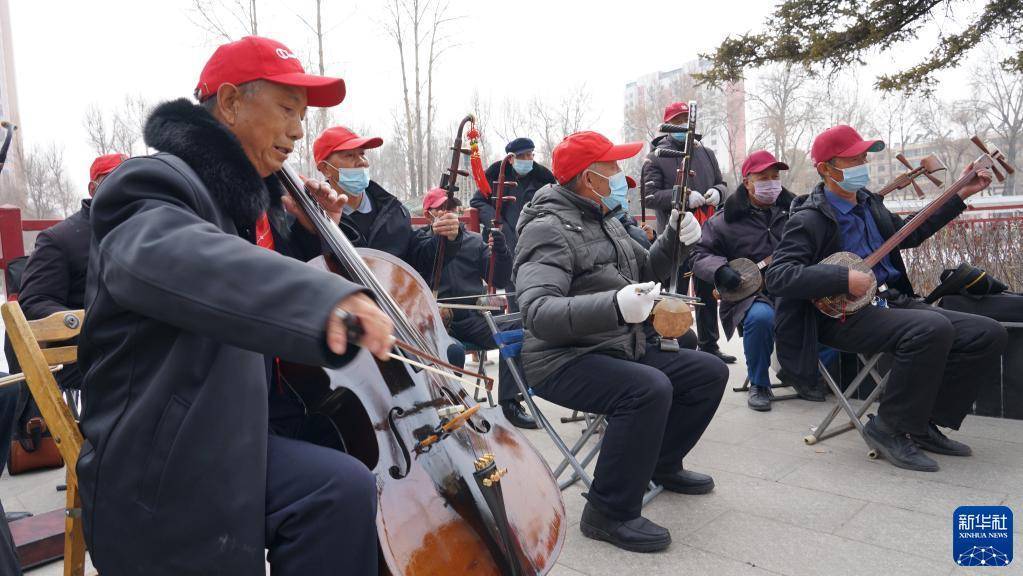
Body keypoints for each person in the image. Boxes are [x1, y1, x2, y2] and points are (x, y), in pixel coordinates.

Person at [78, 36, 394, 575]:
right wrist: (325, 297)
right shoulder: (151, 182)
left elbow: (254, 286)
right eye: (287, 110)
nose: (298, 130)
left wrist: (316, 233)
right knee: (339, 488)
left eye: (302, 116)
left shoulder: (247, 206)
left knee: (345, 488)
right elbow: (183, 257)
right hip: (166, 457)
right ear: (229, 103)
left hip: (245, 428)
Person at [514, 131, 728, 552]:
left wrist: (674, 238)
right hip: (564, 357)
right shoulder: (547, 229)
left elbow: (646, 269)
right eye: (611, 167)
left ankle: (662, 463)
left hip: (617, 343)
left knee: (708, 371)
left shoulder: (606, 216)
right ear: (586, 177)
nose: (619, 174)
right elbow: (538, 312)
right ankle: (607, 512)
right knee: (647, 389)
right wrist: (613, 305)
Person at [765, 124, 1007, 472]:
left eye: (864, 157)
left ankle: (922, 423)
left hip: (888, 303)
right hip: (842, 316)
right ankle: (887, 427)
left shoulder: (869, 205)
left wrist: (960, 195)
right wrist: (842, 277)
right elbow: (779, 276)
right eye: (853, 159)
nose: (863, 164)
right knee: (931, 327)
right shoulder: (809, 218)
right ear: (826, 169)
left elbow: (911, 232)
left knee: (988, 333)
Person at [691, 150, 827, 410]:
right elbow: (700, 254)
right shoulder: (722, 221)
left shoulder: (798, 212)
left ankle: (802, 373)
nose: (772, 182)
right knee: (761, 318)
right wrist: (720, 270)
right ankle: (759, 383)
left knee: (831, 313)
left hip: (795, 286)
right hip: (751, 294)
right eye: (763, 177)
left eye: (775, 177)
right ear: (747, 182)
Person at [413, 188, 536, 428]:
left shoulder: (472, 240)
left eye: (452, 208)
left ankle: (510, 402)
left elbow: (499, 279)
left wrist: (500, 251)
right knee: (453, 351)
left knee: (518, 329)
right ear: (429, 216)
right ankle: (449, 409)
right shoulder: (420, 244)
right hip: (437, 322)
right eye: (442, 209)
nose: (449, 213)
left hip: (472, 318)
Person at [18, 153, 126, 392]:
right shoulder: (59, 239)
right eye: (114, 181)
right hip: (86, 363)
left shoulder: (145, 231)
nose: (125, 189)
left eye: (132, 181)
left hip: (143, 354)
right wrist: (92, 323)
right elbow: (34, 302)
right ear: (93, 188)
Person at [642, 101, 734, 363]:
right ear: (669, 125)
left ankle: (709, 345)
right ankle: (676, 341)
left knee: (706, 289)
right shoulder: (656, 156)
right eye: (678, 120)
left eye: (687, 119)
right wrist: (681, 197)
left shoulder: (706, 153)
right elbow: (650, 195)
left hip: (707, 235)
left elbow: (722, 184)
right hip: (676, 236)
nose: (684, 125)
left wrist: (718, 192)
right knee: (675, 291)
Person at [313, 126, 461, 281]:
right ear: (325, 169)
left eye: (362, 154)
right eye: (350, 155)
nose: (362, 162)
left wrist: (447, 238)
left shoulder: (393, 211)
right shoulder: (314, 217)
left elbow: (418, 260)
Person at [471, 137, 557, 256]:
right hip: (498, 244)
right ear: (511, 159)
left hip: (532, 246)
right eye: (521, 156)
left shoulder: (543, 180)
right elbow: (477, 201)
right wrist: (498, 224)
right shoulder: (496, 176)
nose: (527, 159)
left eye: (529, 155)